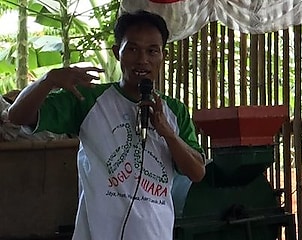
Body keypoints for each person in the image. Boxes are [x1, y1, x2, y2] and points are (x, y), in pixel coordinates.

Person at [6, 10, 206, 240]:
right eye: (132, 49)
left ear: (163, 56)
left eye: (152, 51)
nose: (142, 59)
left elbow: (197, 172)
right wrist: (48, 79)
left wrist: (168, 134)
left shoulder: (174, 111)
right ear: (116, 53)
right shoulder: (88, 99)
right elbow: (17, 116)